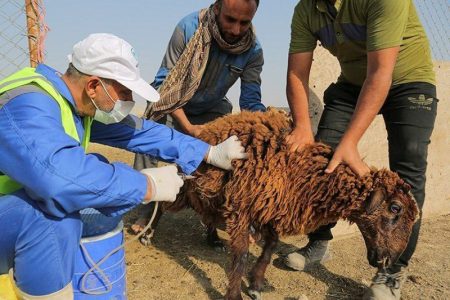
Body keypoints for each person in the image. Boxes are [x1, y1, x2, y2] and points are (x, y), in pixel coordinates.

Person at [0, 33, 248, 299]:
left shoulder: (73, 105)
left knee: (92, 179)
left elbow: (139, 132)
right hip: (16, 214)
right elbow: (58, 178)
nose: (129, 99)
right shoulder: (29, 105)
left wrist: (207, 152)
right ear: (94, 85)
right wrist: (146, 184)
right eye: (124, 91)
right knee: (48, 216)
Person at [283, 1, 437, 299]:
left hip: (408, 81)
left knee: (408, 172)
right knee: (324, 159)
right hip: (353, 83)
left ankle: (392, 271)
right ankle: (318, 243)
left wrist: (351, 142)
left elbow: (381, 72)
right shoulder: (306, 9)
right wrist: (302, 126)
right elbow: (296, 72)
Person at [131, 0, 266, 242]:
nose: (236, 30)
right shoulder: (188, 28)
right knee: (148, 130)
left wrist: (268, 125)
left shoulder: (253, 51)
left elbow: (250, 101)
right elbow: (164, 84)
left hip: (212, 109)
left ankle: (213, 220)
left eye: (244, 22)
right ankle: (148, 209)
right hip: (173, 104)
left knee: (227, 155)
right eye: (230, 20)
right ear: (217, 9)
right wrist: (188, 128)